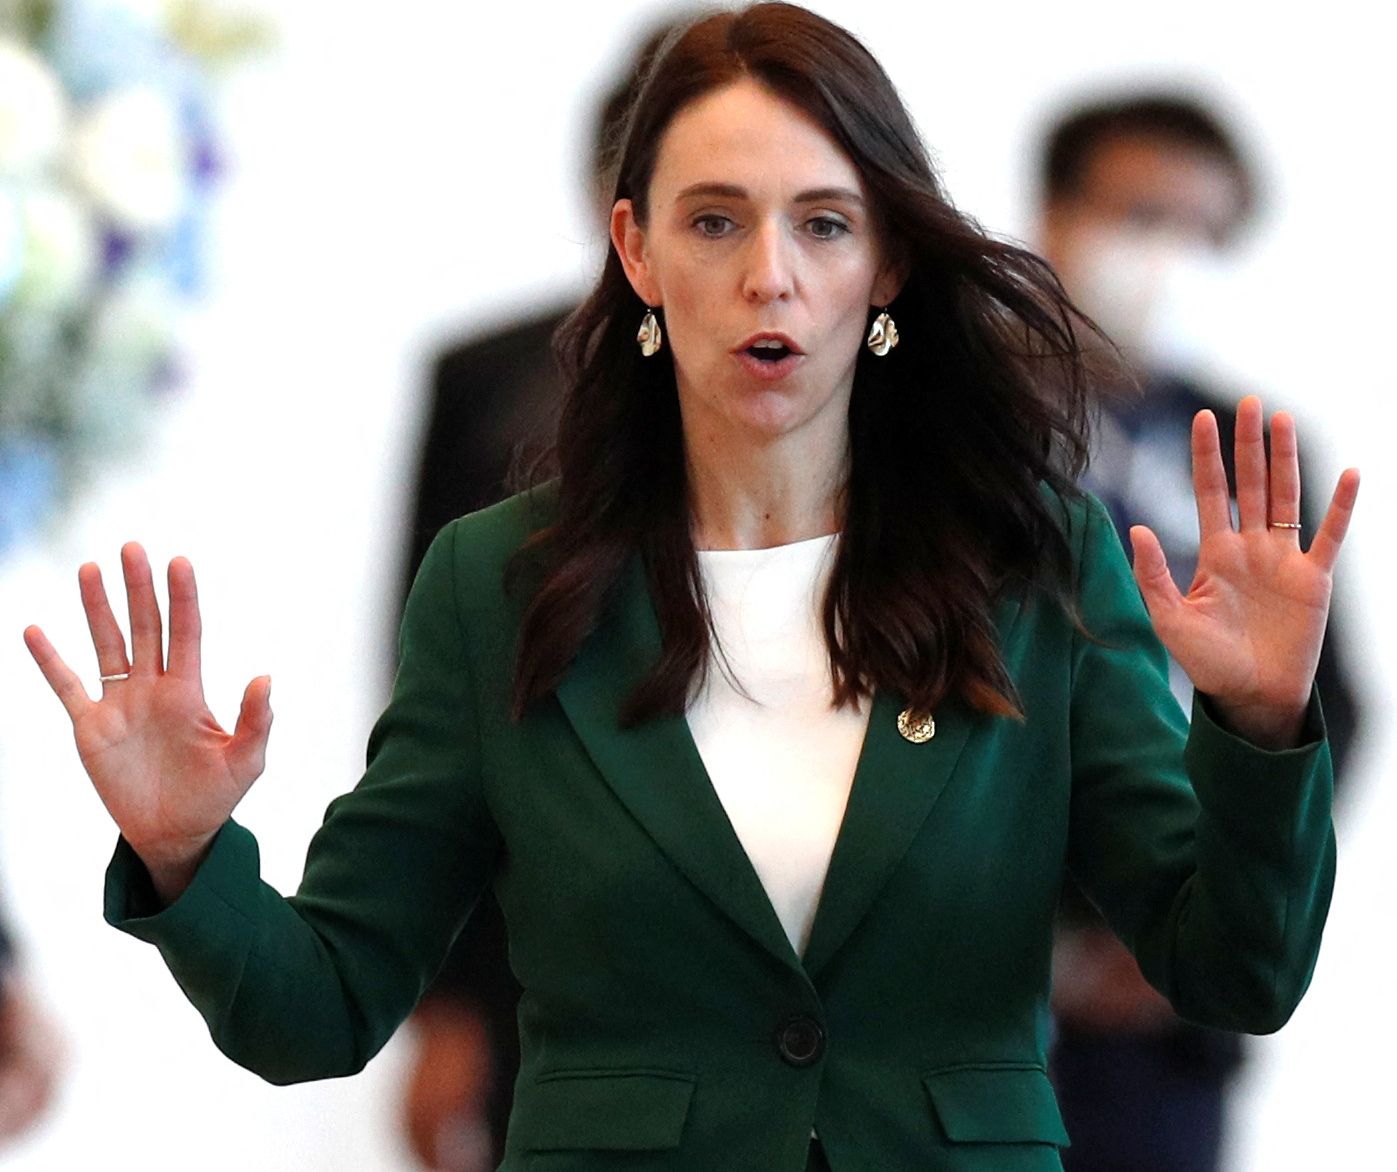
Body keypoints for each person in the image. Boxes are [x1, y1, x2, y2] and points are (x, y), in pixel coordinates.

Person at [21, 5, 1358, 1169]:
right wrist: (188, 854)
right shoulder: (499, 580)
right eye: (714, 220)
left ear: (886, 260)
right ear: (638, 251)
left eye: (823, 223)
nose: (767, 272)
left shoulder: (1034, 561)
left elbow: (1232, 969)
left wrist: (1251, 728)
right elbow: (315, 1008)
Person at [1034, 93, 1362, 1172]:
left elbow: (1321, 699)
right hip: (960, 991)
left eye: (1202, 233)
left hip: (1165, 1026)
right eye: (1140, 217)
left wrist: (1202, 900)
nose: (1169, 257)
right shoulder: (956, 425)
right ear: (1054, 215)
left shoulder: (1252, 450)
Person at [396, 22, 689, 1169]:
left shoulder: (895, 413)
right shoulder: (489, 383)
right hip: (549, 965)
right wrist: (451, 1005)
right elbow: (435, 714)